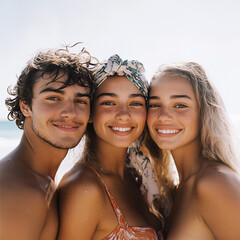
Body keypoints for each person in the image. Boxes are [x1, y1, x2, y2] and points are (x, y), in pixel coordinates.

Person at [57, 54, 163, 240]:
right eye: (108, 103)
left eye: (136, 103)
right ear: (90, 112)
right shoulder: (84, 189)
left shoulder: (137, 176)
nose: (123, 114)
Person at [0, 46, 95, 240]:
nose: (70, 112)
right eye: (53, 98)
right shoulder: (20, 193)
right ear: (25, 106)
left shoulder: (41, 181)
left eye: (81, 101)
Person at [146, 62, 240, 239]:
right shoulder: (178, 190)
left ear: (204, 113)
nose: (164, 116)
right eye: (155, 105)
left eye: (180, 105)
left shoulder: (215, 183)